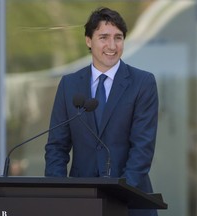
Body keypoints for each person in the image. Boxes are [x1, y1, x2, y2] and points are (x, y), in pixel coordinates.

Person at [45, 7, 159, 216]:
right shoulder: (69, 85)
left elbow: (142, 149)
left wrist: (119, 193)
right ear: (88, 40)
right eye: (104, 37)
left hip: (130, 203)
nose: (112, 46)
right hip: (80, 203)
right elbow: (56, 147)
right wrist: (57, 194)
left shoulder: (143, 83)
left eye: (118, 38)